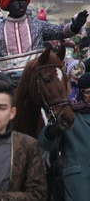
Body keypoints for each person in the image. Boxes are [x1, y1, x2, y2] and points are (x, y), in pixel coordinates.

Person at [0, 0, 88, 85]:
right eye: (17, 1)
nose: (22, 4)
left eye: (24, 1)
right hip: (8, 86)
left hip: (37, 84)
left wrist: (75, 26)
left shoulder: (37, 25)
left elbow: (61, 31)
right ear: (8, 4)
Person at [38, 72, 90, 201]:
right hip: (78, 182)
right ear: (80, 93)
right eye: (88, 92)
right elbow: (45, 144)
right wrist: (52, 131)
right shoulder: (69, 115)